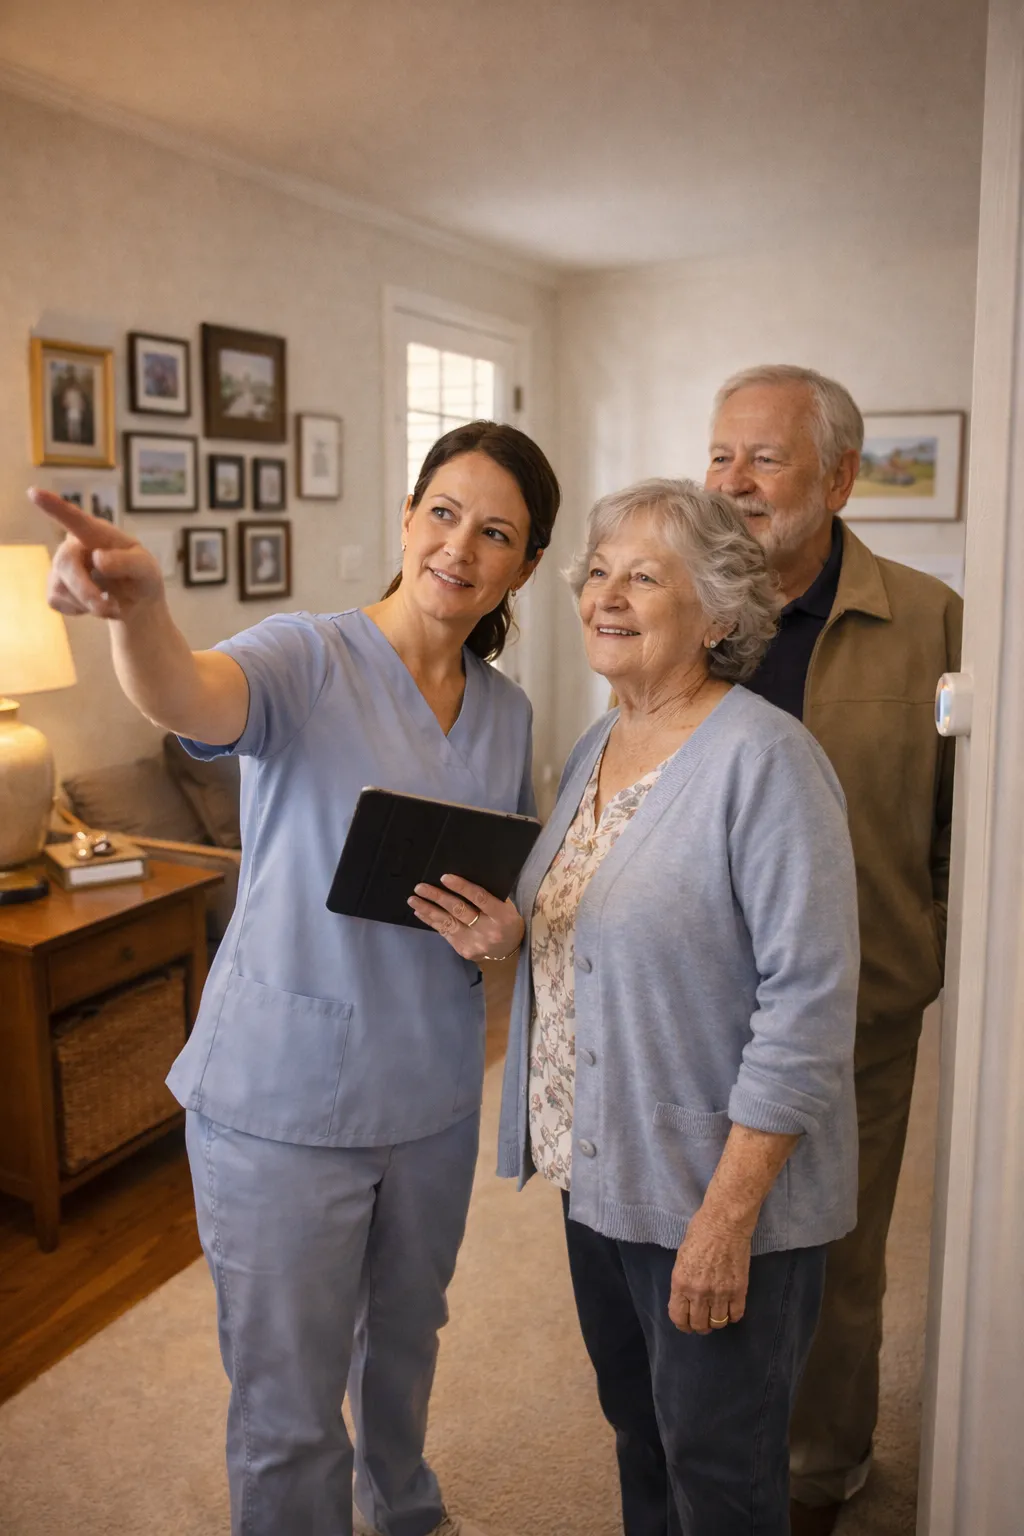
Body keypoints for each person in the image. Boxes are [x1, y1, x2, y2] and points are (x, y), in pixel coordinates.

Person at [31, 418, 561, 1536]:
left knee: (409, 1337)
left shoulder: (508, 712)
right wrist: (140, 612)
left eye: (497, 533)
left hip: (429, 1090)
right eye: (445, 513)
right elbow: (187, 695)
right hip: (283, 1098)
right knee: (286, 1406)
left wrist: (501, 936)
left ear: (525, 564)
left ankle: (402, 1508)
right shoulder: (305, 655)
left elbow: (498, 899)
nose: (461, 547)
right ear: (408, 517)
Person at [497, 478, 861, 1536]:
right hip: (595, 1173)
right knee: (640, 1429)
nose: (607, 595)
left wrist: (726, 1217)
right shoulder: (592, 746)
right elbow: (605, 928)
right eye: (597, 572)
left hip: (712, 1196)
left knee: (721, 1461)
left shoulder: (768, 761)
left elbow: (808, 1003)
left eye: (643, 576)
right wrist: (510, 934)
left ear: (718, 612)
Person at [704, 364, 962, 1535]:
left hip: (859, 1008)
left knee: (836, 1258)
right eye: (721, 456)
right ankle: (712, 1446)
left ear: (840, 476)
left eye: (764, 457)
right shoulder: (689, 609)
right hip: (701, 1003)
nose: (735, 481)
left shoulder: (932, 620)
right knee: (705, 1232)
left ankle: (817, 1471)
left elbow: (969, 828)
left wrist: (920, 945)